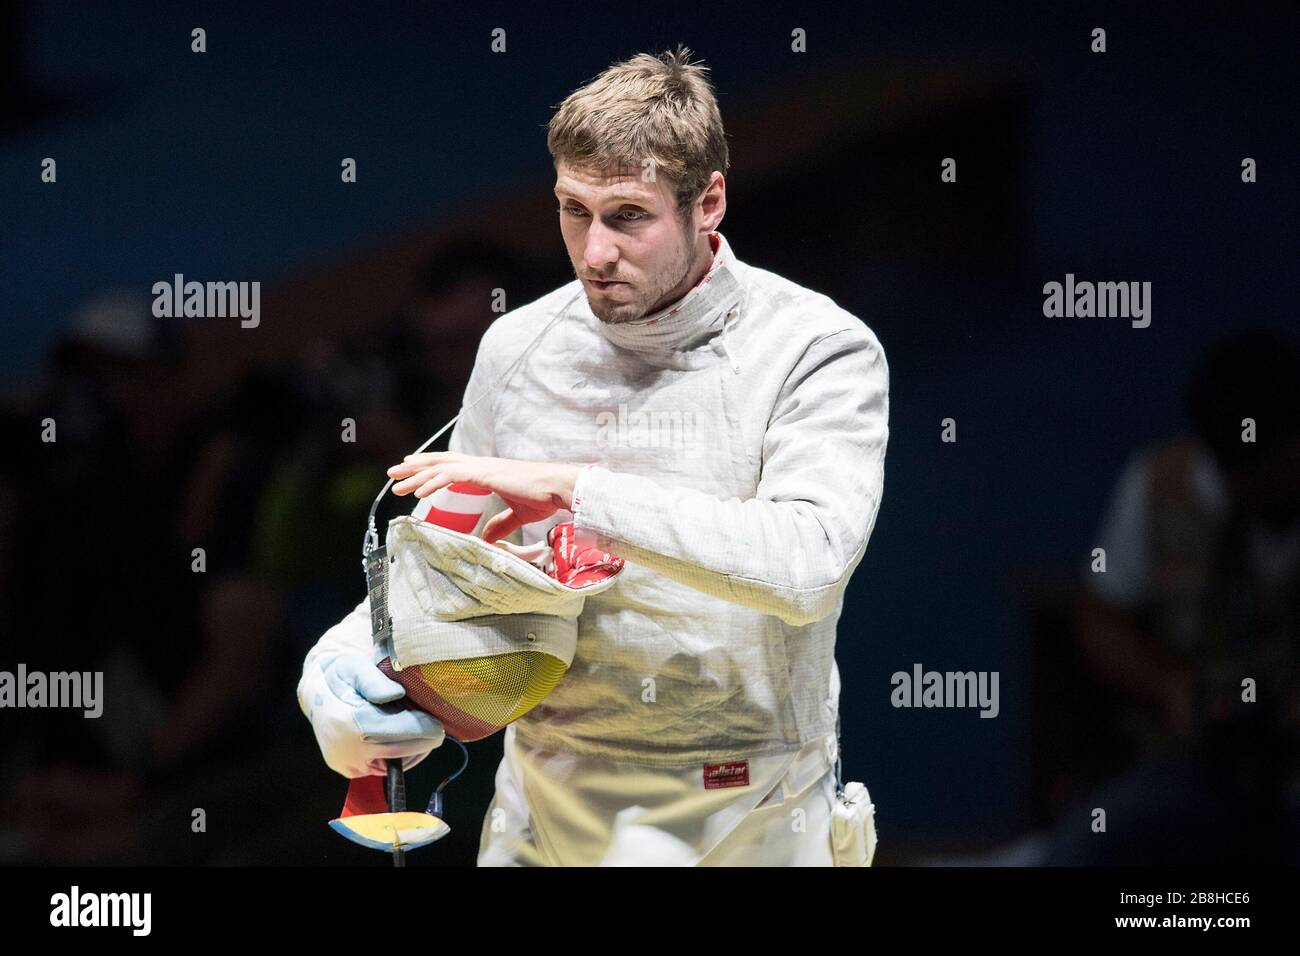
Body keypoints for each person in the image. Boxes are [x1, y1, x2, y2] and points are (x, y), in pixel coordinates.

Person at [298, 45, 890, 866]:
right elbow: (443, 567)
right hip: (548, 810)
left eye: (628, 216)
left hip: (749, 814)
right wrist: (339, 667)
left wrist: (577, 491)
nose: (595, 251)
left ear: (708, 201)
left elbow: (805, 567)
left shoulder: (816, 348)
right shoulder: (520, 347)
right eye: (574, 210)